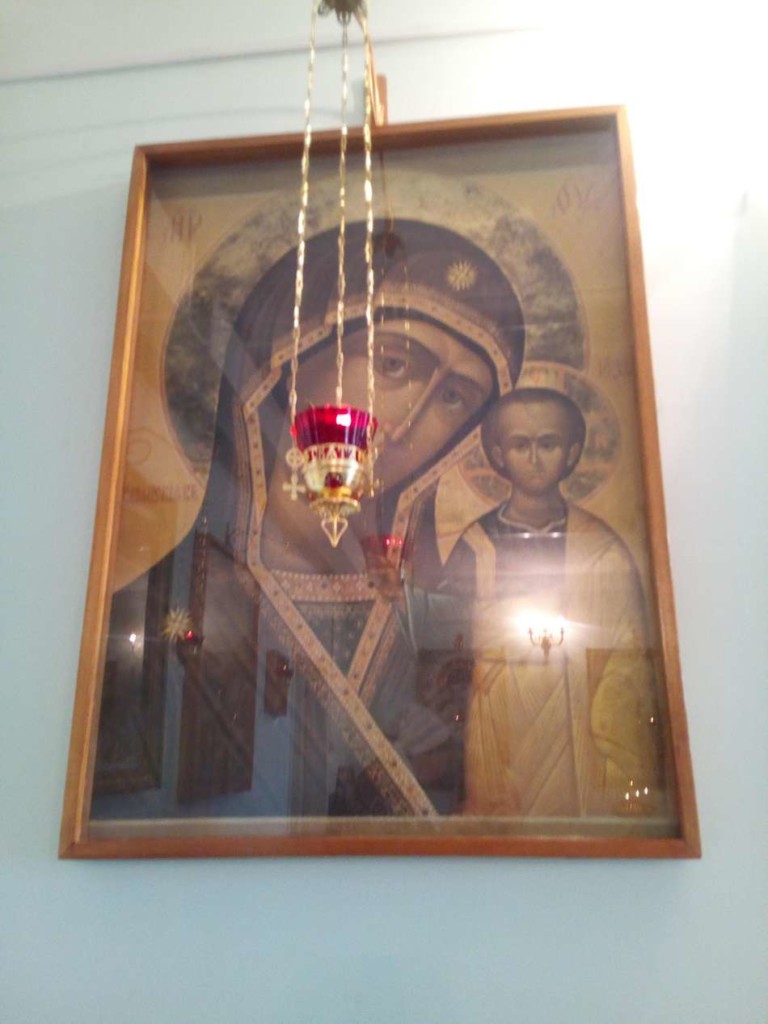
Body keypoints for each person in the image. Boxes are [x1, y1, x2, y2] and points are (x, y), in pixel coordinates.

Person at [92, 218, 527, 821]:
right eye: (393, 364)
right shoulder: (159, 602)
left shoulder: (431, 619)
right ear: (288, 358)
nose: (405, 425)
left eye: (454, 398)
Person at [449, 388, 662, 819]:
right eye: (520, 445)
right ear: (498, 454)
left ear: (572, 453)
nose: (534, 459)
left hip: (576, 725)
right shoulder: (474, 545)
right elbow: (448, 649)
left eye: (547, 444)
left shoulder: (602, 549)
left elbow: (627, 655)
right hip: (498, 729)